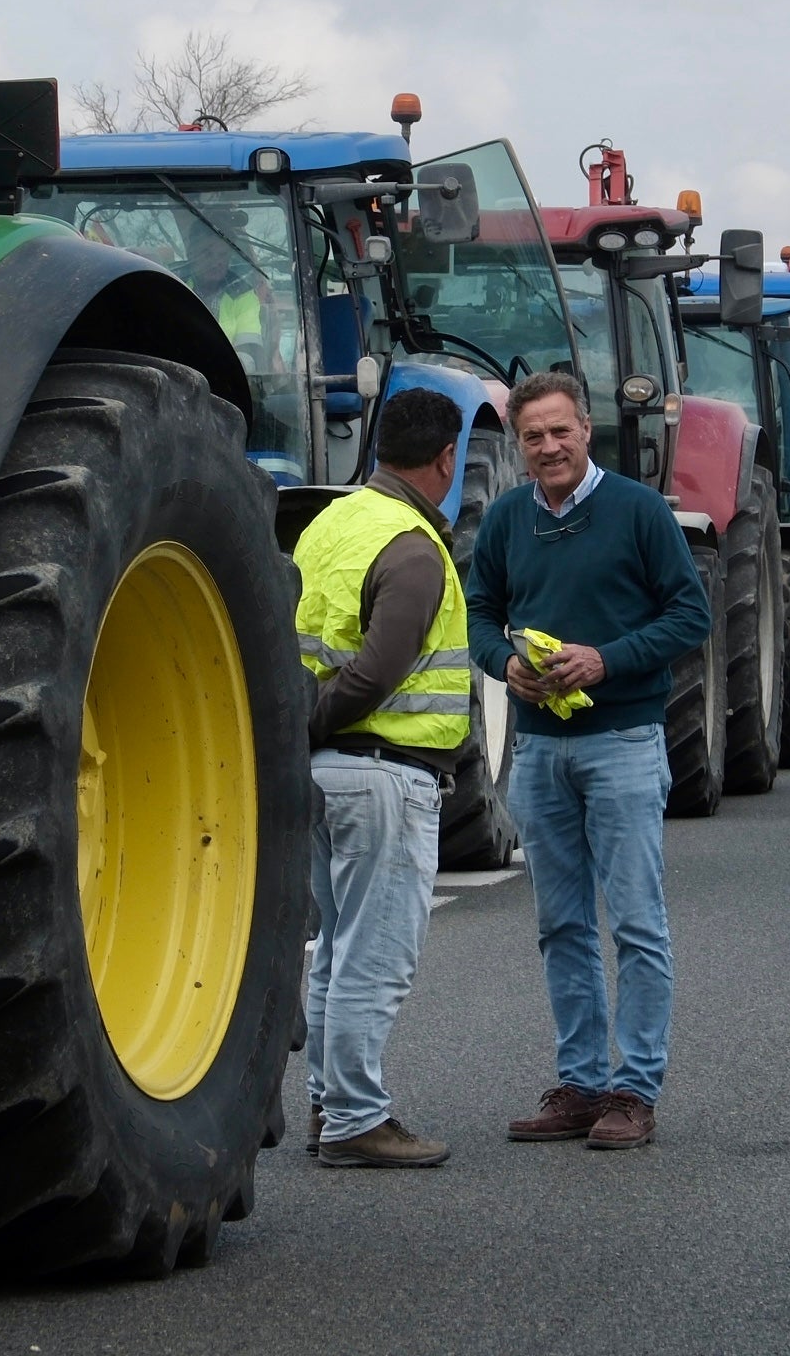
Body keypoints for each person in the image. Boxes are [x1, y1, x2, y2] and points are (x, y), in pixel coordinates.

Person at [466, 368, 711, 1152]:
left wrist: (606, 661)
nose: (548, 447)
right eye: (533, 436)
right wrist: (502, 664)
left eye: (560, 431)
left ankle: (634, 1091)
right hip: (540, 750)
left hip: (624, 743)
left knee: (637, 924)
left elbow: (690, 614)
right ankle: (580, 1084)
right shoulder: (507, 520)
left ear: (586, 430)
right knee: (561, 924)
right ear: (519, 443)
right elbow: (478, 612)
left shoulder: (639, 512)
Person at [295, 386, 473, 1168]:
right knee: (375, 957)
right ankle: (357, 1120)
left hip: (322, 776)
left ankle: (326, 1106)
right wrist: (317, 721)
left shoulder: (327, 525)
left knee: (335, 950)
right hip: (384, 774)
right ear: (445, 459)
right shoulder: (413, 547)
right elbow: (374, 675)